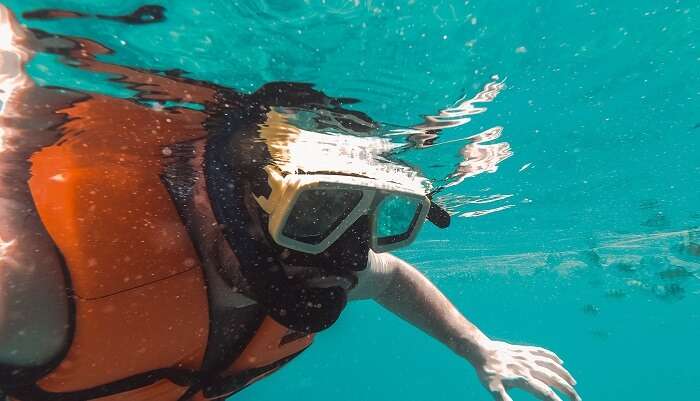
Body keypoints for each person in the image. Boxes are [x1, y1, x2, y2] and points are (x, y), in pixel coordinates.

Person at [0, 6, 581, 401]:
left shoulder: (306, 261)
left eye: (387, 219)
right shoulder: (33, 291)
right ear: (237, 200)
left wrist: (478, 347)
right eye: (318, 211)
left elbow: (392, 275)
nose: (352, 253)